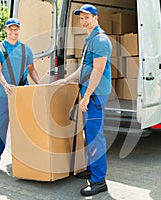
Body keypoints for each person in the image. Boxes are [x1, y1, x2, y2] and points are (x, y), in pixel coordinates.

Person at [54, 4, 112, 196]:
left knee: (95, 136)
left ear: (96, 18)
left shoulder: (101, 40)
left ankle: (99, 181)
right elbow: (85, 68)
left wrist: (87, 96)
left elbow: (97, 70)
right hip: (89, 91)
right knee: (89, 133)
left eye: (87, 17)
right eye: (81, 18)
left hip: (95, 94)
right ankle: (91, 169)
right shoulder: (91, 39)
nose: (84, 21)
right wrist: (67, 79)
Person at [0, 18, 40, 176]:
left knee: (25, 127)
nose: (13, 32)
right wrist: (6, 84)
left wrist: (41, 85)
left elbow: (32, 69)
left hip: (23, 93)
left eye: (16, 29)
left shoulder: (25, 49)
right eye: (10, 29)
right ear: (6, 30)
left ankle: (27, 160)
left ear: (19, 30)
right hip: (4, 94)